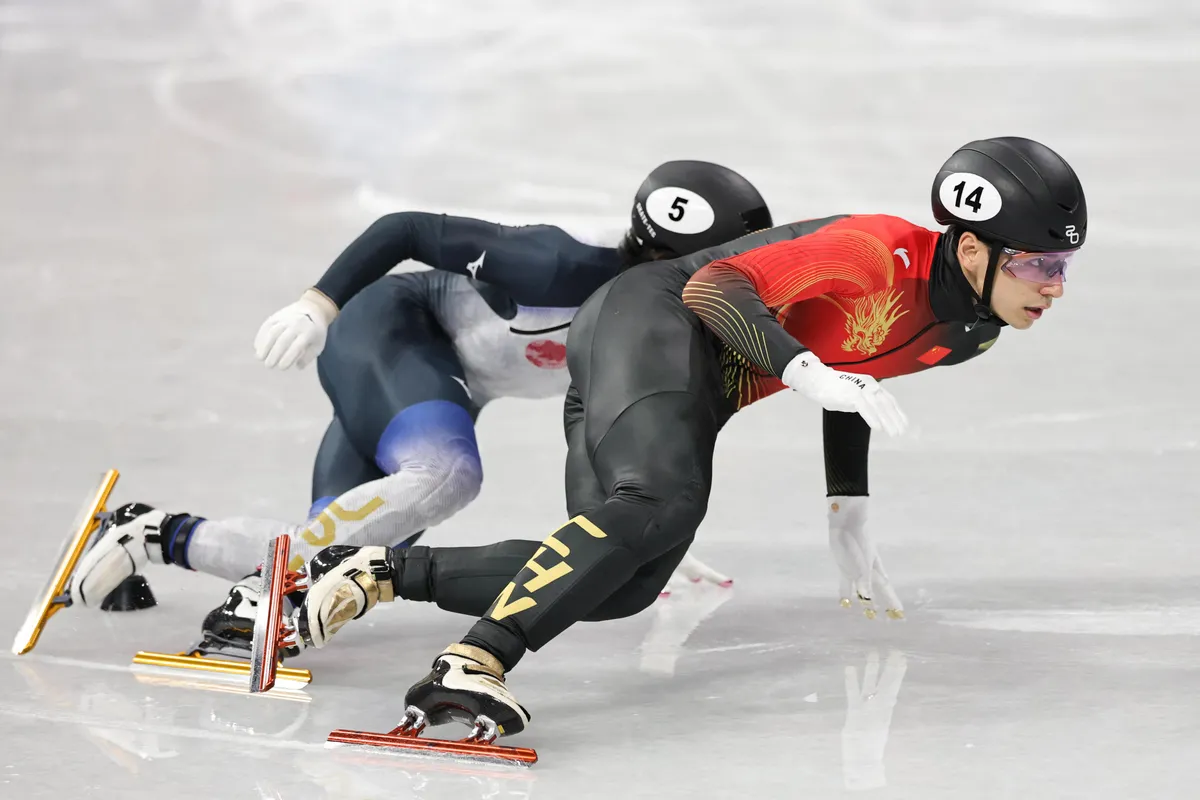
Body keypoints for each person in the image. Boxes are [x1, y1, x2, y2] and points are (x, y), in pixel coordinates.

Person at [293, 136, 1086, 740]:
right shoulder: (874, 246)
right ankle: (472, 663)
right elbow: (713, 287)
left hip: (682, 385)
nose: (1054, 287)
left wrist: (849, 512)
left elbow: (855, 377)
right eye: (1040, 264)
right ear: (974, 247)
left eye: (1063, 266)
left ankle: (370, 572)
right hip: (653, 318)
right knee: (662, 502)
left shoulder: (973, 331)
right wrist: (804, 370)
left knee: (617, 585)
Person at [66, 161, 773, 656]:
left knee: (336, 549)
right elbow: (405, 227)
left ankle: (152, 535)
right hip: (396, 329)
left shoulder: (661, 318)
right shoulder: (564, 266)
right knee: (446, 476)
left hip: (446, 383)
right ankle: (260, 592)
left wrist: (624, 531)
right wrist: (319, 305)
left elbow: (603, 433)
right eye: (725, 270)